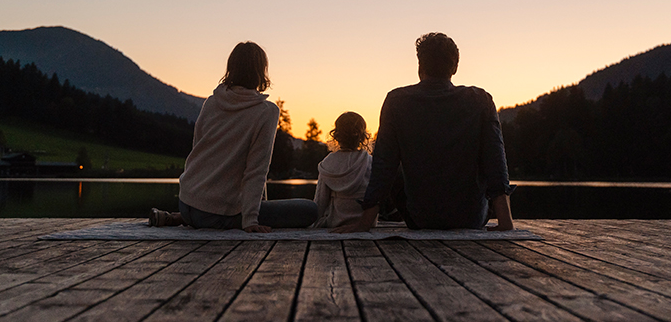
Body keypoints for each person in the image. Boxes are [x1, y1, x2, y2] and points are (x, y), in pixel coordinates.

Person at [334, 32, 514, 233]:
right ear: (455, 67)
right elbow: (495, 161)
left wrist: (365, 223)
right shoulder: (481, 100)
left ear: (420, 66)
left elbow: (383, 165)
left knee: (393, 164)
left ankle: (378, 217)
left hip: (420, 218)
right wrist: (505, 222)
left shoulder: (396, 101)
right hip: (471, 218)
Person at [149, 41, 317, 232]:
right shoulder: (266, 111)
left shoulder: (211, 102)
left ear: (231, 69)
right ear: (261, 71)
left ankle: (180, 217)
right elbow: (257, 168)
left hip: (186, 202)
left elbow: (197, 151)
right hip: (215, 213)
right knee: (309, 210)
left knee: (223, 208)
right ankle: (202, 218)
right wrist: (251, 220)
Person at [311, 112, 372, 229]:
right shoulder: (370, 162)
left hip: (336, 223)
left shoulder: (328, 163)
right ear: (363, 136)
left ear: (336, 135)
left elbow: (320, 201)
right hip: (365, 222)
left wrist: (313, 225)